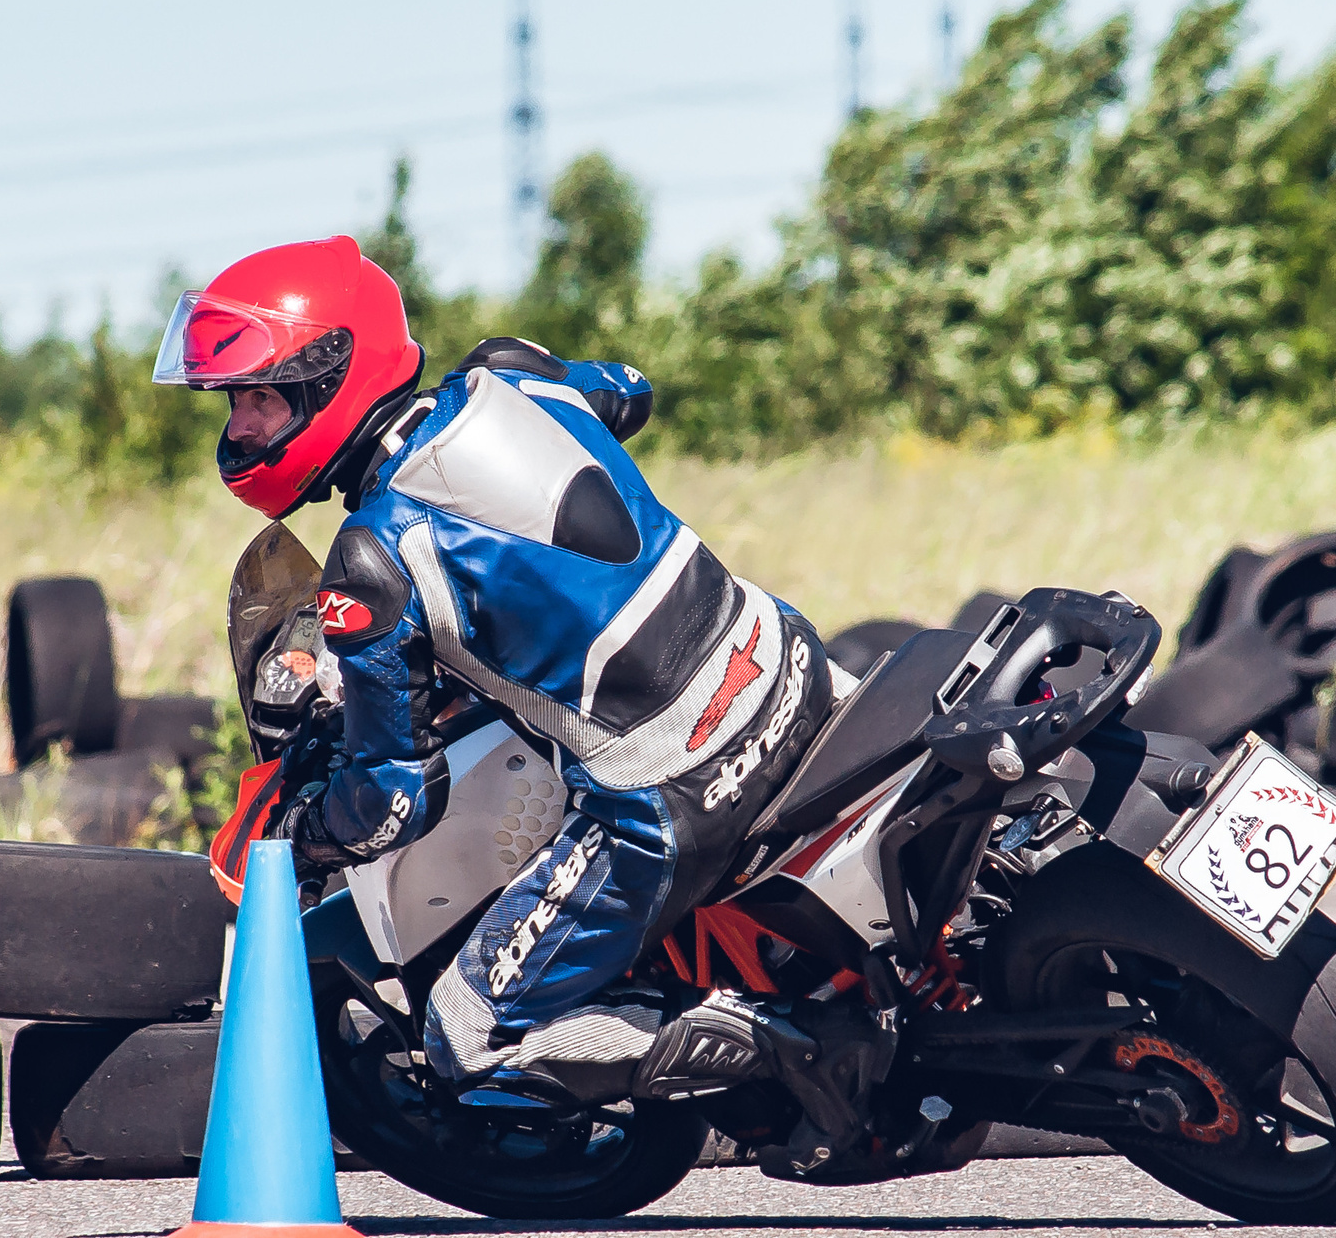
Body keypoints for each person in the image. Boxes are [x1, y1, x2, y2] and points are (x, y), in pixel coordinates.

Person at [156, 236, 833, 1100]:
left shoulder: (373, 560)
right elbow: (628, 389)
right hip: (783, 655)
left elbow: (392, 802)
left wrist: (296, 834)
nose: (237, 429)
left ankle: (787, 1047)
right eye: (232, 403)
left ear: (329, 379)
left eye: (257, 399)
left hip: (678, 785)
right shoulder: (512, 378)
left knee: (467, 1035)